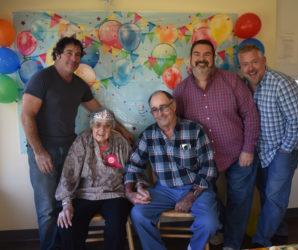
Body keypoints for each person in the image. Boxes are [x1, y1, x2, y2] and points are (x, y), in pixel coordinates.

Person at [20, 37, 134, 250]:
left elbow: (100, 112)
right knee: (47, 210)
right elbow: (26, 115)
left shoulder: (79, 85)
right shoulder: (41, 79)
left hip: (71, 149)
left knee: (65, 203)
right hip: (44, 150)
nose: (74, 58)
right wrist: (39, 151)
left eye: (78, 55)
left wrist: (123, 130)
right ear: (58, 54)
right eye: (69, 53)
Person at [173, 39, 260, 250]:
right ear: (190, 59)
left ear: (213, 58)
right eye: (197, 54)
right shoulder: (181, 90)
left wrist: (248, 149)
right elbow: (178, 129)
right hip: (203, 161)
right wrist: (188, 157)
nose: (201, 59)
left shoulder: (232, 81)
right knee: (209, 200)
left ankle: (232, 244)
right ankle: (219, 226)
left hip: (238, 153)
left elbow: (250, 114)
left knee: (239, 201)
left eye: (206, 54)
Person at [125, 90, 220, 250]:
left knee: (209, 223)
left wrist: (191, 196)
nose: (160, 113)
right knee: (138, 214)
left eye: (163, 107)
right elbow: (132, 167)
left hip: (196, 187)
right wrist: (130, 192)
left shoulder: (195, 130)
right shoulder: (148, 136)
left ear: (174, 105)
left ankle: (194, 247)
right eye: (155, 109)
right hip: (164, 189)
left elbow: (208, 168)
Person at [238, 43, 298, 247]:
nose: (251, 68)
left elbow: (297, 121)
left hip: (281, 150)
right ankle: (280, 232)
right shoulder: (243, 85)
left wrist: (285, 150)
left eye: (255, 62)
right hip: (258, 152)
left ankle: (260, 241)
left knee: (274, 198)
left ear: (264, 61)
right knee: (267, 196)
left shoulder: (282, 84)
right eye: (245, 64)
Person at [55, 108, 131, 250]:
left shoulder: (120, 142)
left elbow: (132, 170)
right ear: (91, 125)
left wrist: (135, 189)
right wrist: (66, 203)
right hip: (85, 194)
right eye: (98, 125)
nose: (102, 129)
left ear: (112, 127)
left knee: (115, 227)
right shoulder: (82, 141)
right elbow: (68, 173)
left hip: (114, 194)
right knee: (67, 225)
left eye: (107, 125)